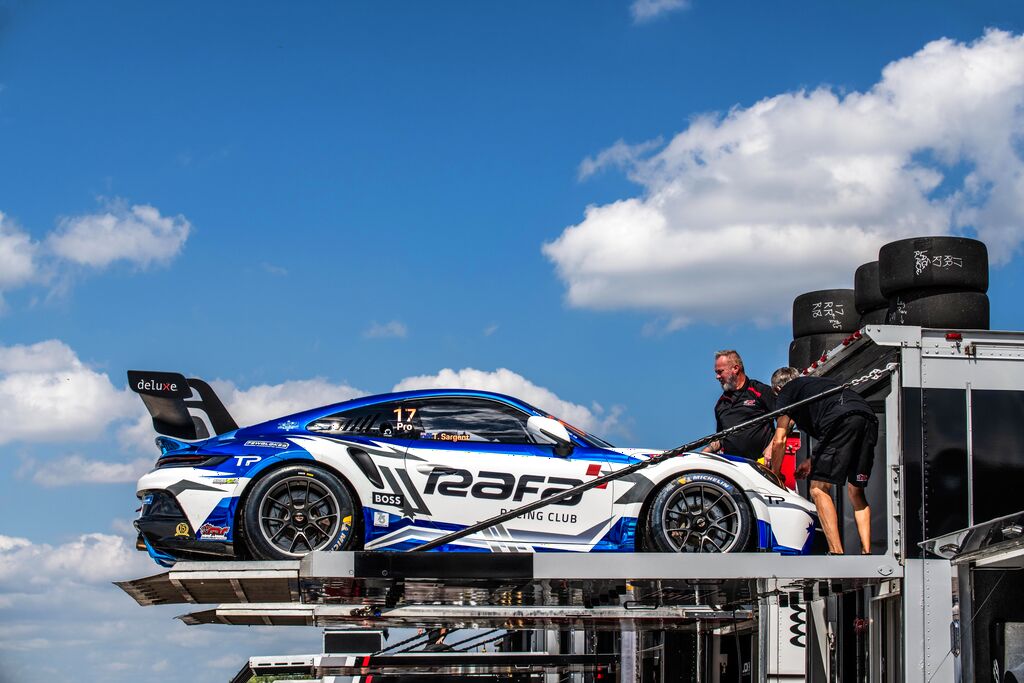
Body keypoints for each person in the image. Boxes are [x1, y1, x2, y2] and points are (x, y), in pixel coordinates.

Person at [768, 367, 878, 555]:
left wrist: (775, 475)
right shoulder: (816, 385)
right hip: (867, 417)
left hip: (839, 420)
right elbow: (837, 442)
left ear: (777, 390)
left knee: (818, 489)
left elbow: (780, 440)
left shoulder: (787, 392)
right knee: (856, 490)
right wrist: (812, 460)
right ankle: (866, 552)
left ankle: (836, 552)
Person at [703, 350, 777, 460]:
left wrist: (772, 447)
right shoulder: (720, 404)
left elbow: (786, 420)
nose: (717, 377)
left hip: (762, 464)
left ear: (735, 369)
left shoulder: (759, 390)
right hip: (734, 470)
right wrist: (704, 453)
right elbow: (721, 439)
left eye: (720, 372)